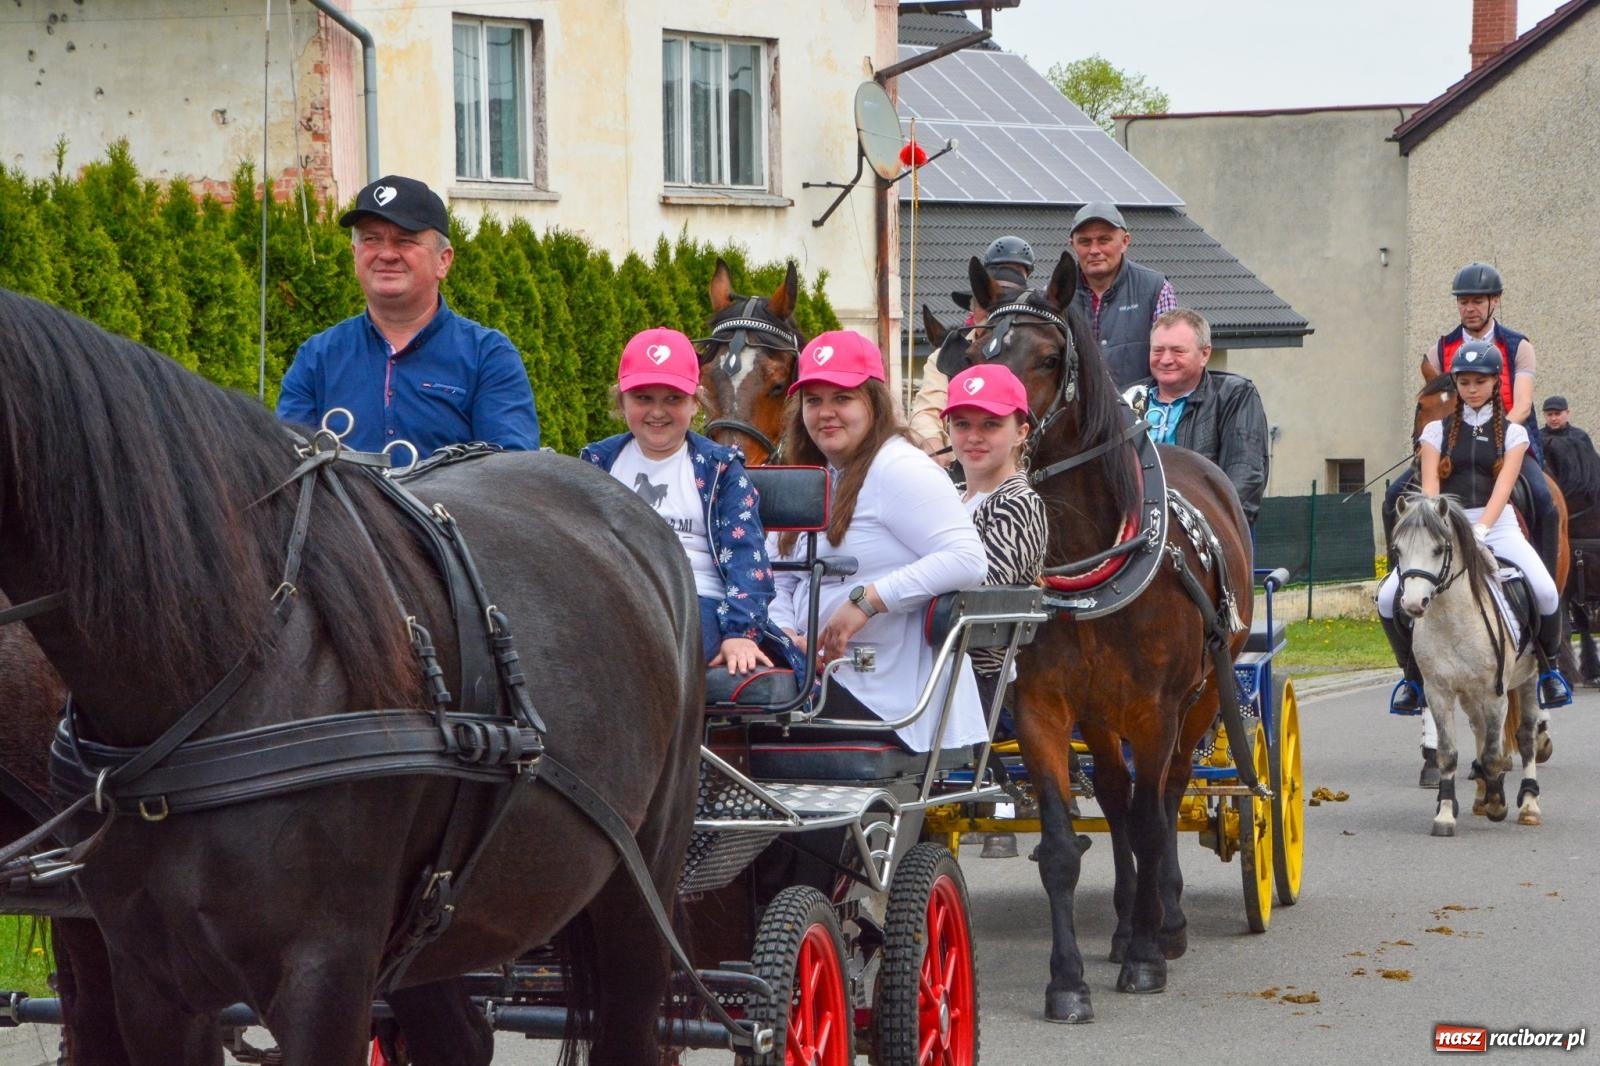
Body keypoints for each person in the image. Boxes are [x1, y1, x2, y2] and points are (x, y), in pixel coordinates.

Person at [769, 330, 990, 752]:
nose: (825, 413)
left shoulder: (899, 467)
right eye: (814, 400)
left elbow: (967, 558)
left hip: (885, 696)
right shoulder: (812, 474)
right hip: (812, 680)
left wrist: (867, 601)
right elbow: (779, 577)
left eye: (842, 398)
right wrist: (784, 634)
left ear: (874, 401)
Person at [580, 328, 802, 677]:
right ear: (621, 400)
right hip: (612, 601)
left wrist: (740, 633)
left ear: (696, 402)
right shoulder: (597, 464)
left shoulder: (720, 469)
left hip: (697, 604)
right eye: (643, 398)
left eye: (673, 399)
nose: (657, 412)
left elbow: (749, 558)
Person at [1378, 339, 1571, 727]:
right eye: (1464, 382)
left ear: (1494, 384)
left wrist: (1482, 528)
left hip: (1497, 526)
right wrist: (1437, 525)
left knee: (1546, 590)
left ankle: (1548, 672)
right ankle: (1412, 678)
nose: (1471, 389)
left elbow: (1504, 487)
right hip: (1447, 524)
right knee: (1386, 598)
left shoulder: (1513, 435)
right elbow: (1430, 484)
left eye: (1479, 382)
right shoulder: (1435, 431)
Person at [278, 174, 539, 454]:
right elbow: (285, 467)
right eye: (372, 239)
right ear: (355, 254)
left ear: (443, 260)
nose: (387, 254)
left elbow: (514, 477)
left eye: (404, 240)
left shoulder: (488, 357)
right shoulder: (316, 358)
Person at [1124, 309, 1269, 525]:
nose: (1165, 359)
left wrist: (1210, 527)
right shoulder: (1127, 399)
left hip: (1202, 532)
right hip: (1132, 529)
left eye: (1178, 351)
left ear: (1205, 354)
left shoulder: (1233, 395)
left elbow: (1245, 474)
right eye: (1158, 350)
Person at [909, 235, 1035, 459]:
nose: (993, 314)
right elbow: (927, 412)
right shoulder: (945, 355)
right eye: (984, 304)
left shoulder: (1030, 355)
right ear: (972, 308)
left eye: (1004, 306)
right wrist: (936, 450)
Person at [1067, 202, 1177, 389]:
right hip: (1074, 415)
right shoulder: (1056, 295)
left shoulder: (1157, 290)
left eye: (1104, 240)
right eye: (1085, 242)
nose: (1094, 250)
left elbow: (1170, 360)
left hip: (1139, 413)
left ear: (1125, 241)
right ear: (1072, 245)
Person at [1539, 395, 1600, 516]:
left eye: (1557, 413)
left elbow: (1593, 467)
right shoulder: (1539, 438)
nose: (1553, 418)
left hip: (1582, 498)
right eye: (1549, 414)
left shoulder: (1579, 436)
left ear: (1567, 413)